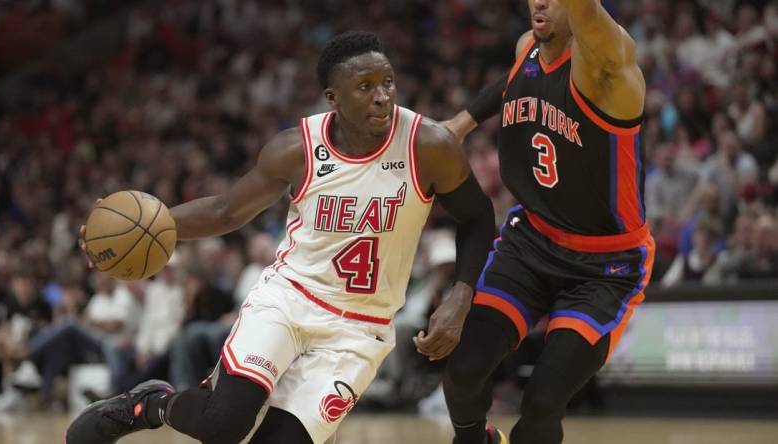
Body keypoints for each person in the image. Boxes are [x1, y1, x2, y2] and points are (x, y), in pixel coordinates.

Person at [66, 31, 495, 444]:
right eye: (365, 87)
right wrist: (139, 231)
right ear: (333, 98)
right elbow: (227, 210)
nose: (383, 96)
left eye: (387, 82)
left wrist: (460, 295)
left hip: (361, 328)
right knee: (222, 426)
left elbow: (477, 217)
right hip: (290, 299)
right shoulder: (297, 149)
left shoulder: (429, 145)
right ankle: (150, 404)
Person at [437, 1, 655, 443]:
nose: (540, 1)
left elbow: (591, 24)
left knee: (541, 402)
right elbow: (513, 77)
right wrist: (462, 121)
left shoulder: (609, 69)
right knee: (462, 372)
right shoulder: (528, 47)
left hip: (605, 268)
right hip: (531, 242)